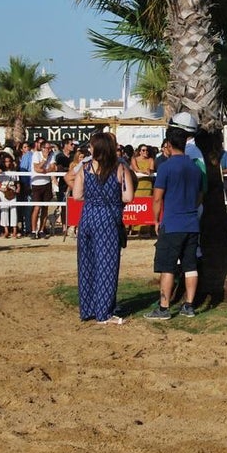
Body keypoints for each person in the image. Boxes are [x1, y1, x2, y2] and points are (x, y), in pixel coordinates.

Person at [74, 133, 135, 324]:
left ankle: (88, 309)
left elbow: (77, 195)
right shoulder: (120, 168)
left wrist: (93, 199)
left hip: (87, 217)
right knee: (107, 265)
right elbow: (128, 197)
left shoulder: (85, 168)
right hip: (108, 219)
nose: (89, 149)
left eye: (91, 146)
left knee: (87, 264)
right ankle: (104, 313)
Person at [147, 127, 203, 320]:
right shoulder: (195, 168)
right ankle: (189, 305)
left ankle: (164, 308)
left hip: (172, 223)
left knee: (167, 267)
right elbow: (200, 195)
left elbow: (157, 198)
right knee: (190, 266)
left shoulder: (166, 167)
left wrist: (155, 219)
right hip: (192, 223)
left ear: (169, 145)